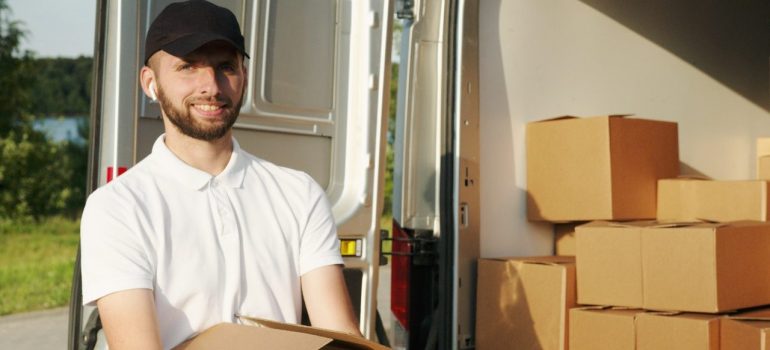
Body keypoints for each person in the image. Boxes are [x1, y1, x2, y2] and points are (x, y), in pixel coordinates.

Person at [79, 1, 361, 349]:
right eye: (187, 67)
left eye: (225, 66)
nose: (211, 86)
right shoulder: (118, 207)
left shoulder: (299, 193)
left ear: (243, 76)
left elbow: (341, 338)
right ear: (150, 82)